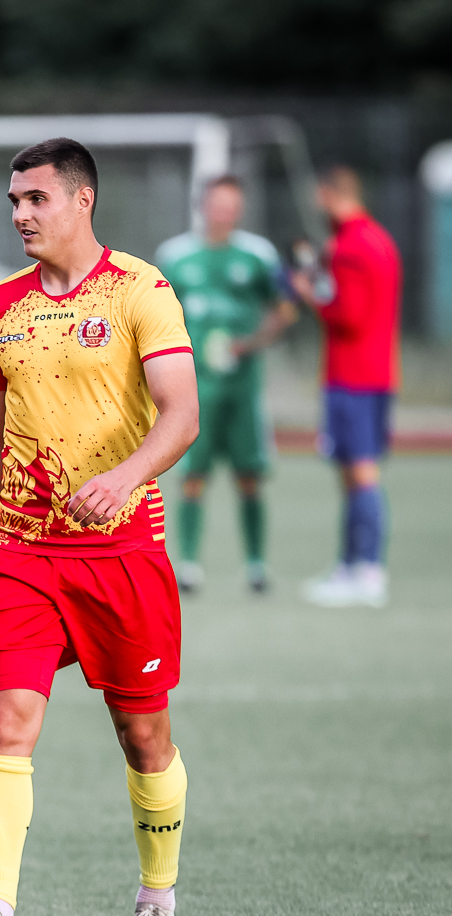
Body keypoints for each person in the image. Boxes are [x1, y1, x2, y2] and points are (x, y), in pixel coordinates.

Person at [0, 138, 199, 916]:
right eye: (14, 201)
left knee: (143, 735)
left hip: (123, 551)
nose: (20, 214)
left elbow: (181, 414)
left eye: (36, 199)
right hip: (22, 553)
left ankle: (157, 898)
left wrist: (125, 477)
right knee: (5, 720)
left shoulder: (140, 289)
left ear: (82, 200)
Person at [157, 176, 297, 594]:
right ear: (202, 206)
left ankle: (256, 566)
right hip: (193, 389)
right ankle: (188, 566)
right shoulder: (175, 256)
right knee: (192, 476)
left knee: (249, 476)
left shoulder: (257, 254)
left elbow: (284, 309)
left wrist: (251, 343)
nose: (224, 213)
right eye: (218, 204)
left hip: (243, 390)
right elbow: (154, 317)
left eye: (231, 205)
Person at [290, 165, 401, 608]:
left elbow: (347, 315)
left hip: (352, 375)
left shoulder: (351, 246)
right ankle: (352, 565)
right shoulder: (379, 239)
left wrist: (309, 292)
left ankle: (366, 568)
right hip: (377, 373)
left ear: (330, 193)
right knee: (355, 472)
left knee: (360, 472)